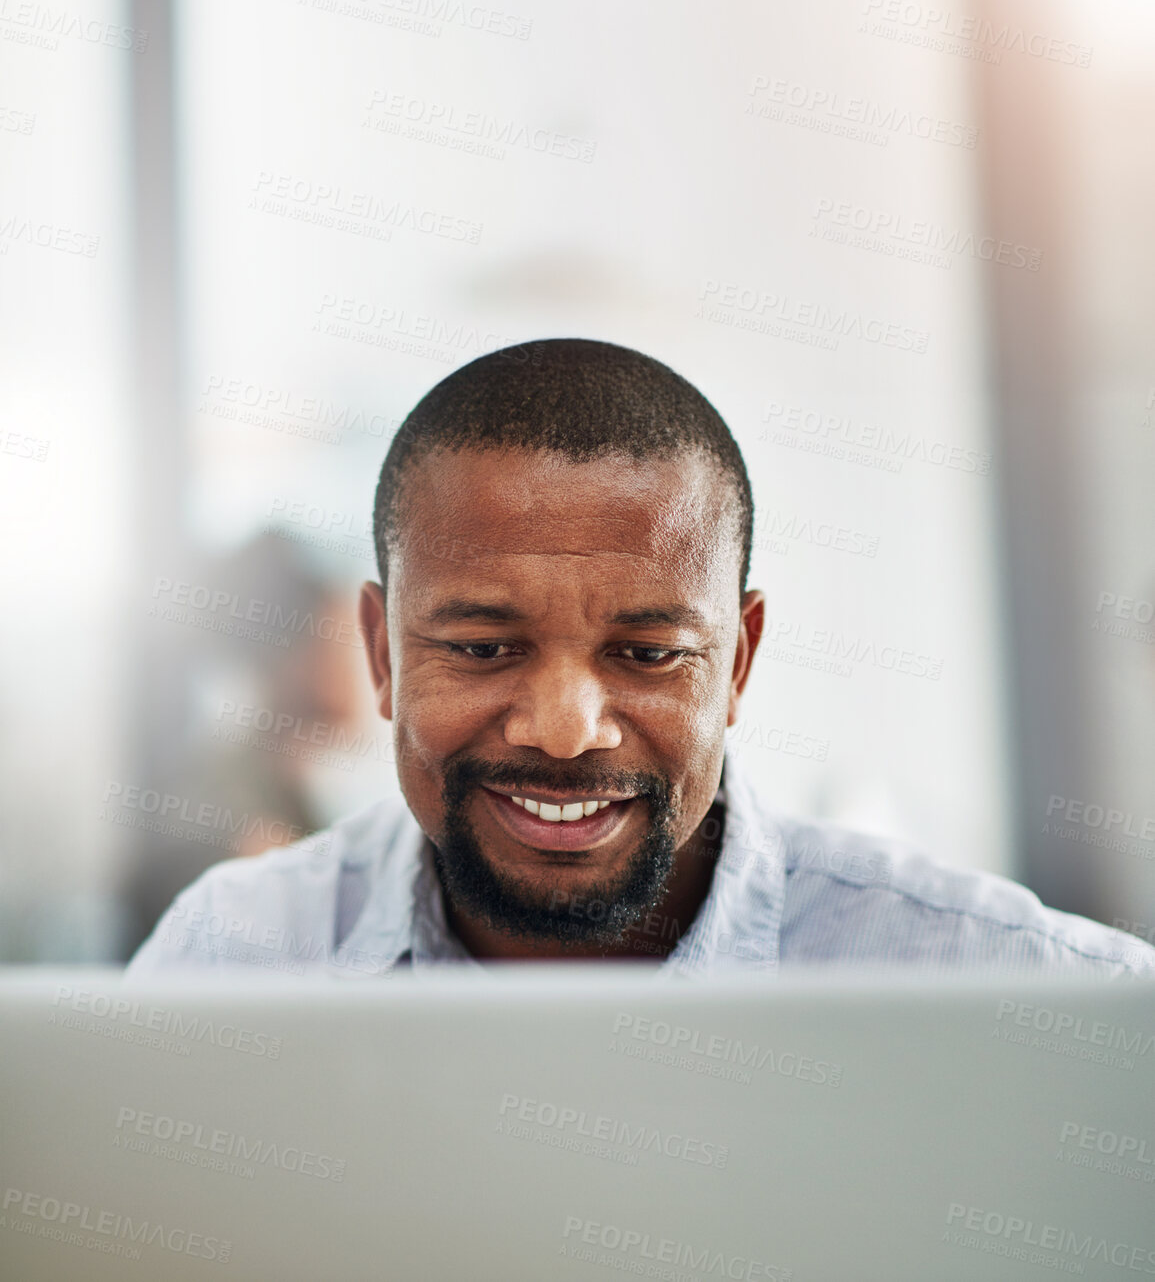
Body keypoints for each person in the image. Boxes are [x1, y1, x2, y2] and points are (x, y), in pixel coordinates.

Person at [126, 339, 1155, 980]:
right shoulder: (232, 958)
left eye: (649, 652)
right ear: (381, 654)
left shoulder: (1006, 990)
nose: (567, 729)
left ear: (738, 665)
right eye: (484, 647)